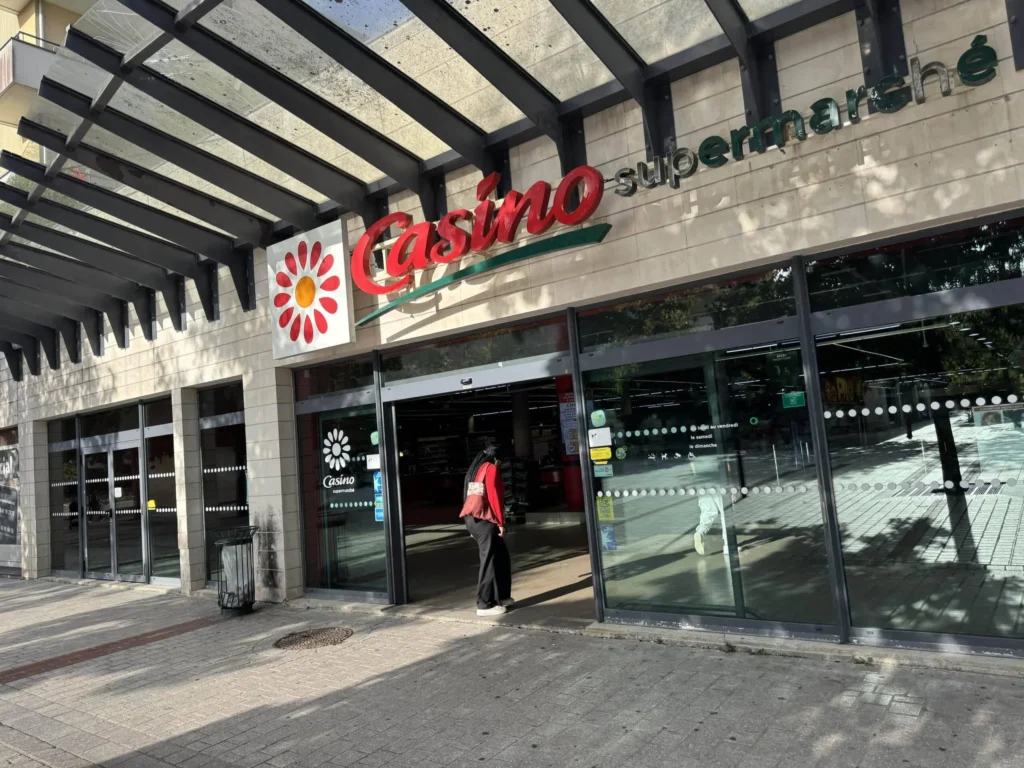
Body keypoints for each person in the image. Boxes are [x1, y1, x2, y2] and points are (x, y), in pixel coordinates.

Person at [460, 443, 512, 616]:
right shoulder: (490, 468)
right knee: (489, 560)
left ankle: (502, 596)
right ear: (497, 459)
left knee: (501, 556)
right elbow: (495, 497)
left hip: (474, 519)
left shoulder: (475, 469)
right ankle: (484, 604)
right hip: (485, 520)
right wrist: (501, 522)